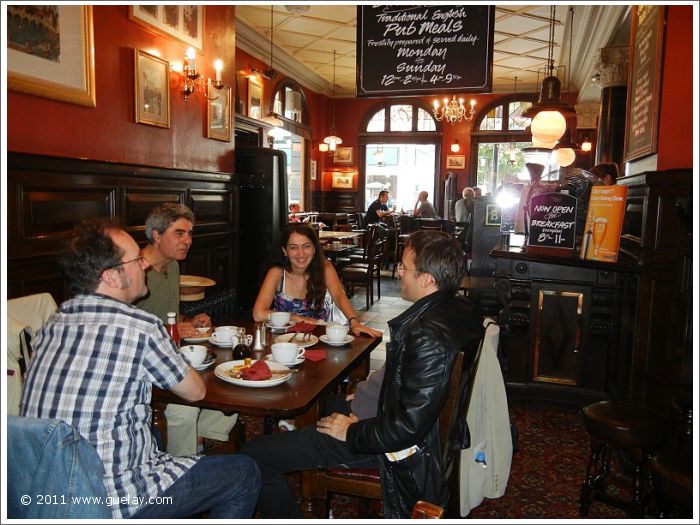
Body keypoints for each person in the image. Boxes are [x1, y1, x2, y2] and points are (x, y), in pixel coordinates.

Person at [20, 218, 260, 519]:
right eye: (136, 260)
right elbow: (195, 392)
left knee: (153, 436)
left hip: (45, 494)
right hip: (110, 501)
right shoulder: (140, 326)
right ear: (111, 277)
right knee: (244, 473)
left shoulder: (51, 324)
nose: (144, 266)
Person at [241, 230, 484, 518]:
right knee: (308, 403)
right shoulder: (456, 310)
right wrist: (374, 390)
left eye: (405, 267)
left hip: (380, 440)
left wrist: (352, 431)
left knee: (254, 456)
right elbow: (415, 389)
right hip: (379, 415)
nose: (398, 272)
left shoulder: (426, 335)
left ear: (427, 279)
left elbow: (406, 428)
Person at [135, 203, 237, 456]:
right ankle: (181, 462)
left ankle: (200, 438)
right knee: (185, 407)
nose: (187, 241)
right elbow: (128, 330)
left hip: (174, 350)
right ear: (156, 235)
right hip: (143, 361)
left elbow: (167, 314)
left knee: (233, 377)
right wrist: (172, 329)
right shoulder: (135, 272)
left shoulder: (172, 265)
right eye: (179, 233)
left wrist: (188, 321)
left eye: (189, 234)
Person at [252, 223, 381, 337]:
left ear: (314, 248)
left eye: (306, 246)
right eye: (293, 247)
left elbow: (340, 297)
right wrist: (297, 318)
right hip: (283, 342)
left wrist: (354, 322)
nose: (300, 253)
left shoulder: (325, 268)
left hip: (318, 338)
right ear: (285, 251)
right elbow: (258, 314)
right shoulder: (277, 273)